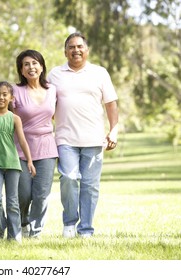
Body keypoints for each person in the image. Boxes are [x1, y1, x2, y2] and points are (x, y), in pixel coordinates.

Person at [47, 32, 118, 238]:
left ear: (86, 50)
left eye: (80, 47)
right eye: (71, 47)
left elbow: (111, 104)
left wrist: (113, 130)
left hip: (94, 139)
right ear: (65, 51)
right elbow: (46, 104)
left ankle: (85, 229)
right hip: (65, 138)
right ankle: (69, 223)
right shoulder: (54, 74)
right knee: (68, 178)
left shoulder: (100, 73)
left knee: (90, 186)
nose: (75, 50)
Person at [0, 81, 36, 242]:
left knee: (12, 201)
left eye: (5, 94)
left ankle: (14, 235)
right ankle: (1, 227)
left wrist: (30, 162)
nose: (1, 97)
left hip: (12, 163)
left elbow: (23, 141)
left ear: (11, 98)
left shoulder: (15, 118)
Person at [12, 50, 58, 238]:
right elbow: (4, 112)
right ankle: (23, 222)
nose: (31, 67)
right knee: (23, 194)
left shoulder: (52, 90)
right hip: (20, 148)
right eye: (26, 64)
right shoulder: (15, 91)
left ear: (41, 67)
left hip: (47, 147)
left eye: (35, 63)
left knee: (41, 195)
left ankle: (35, 231)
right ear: (21, 70)